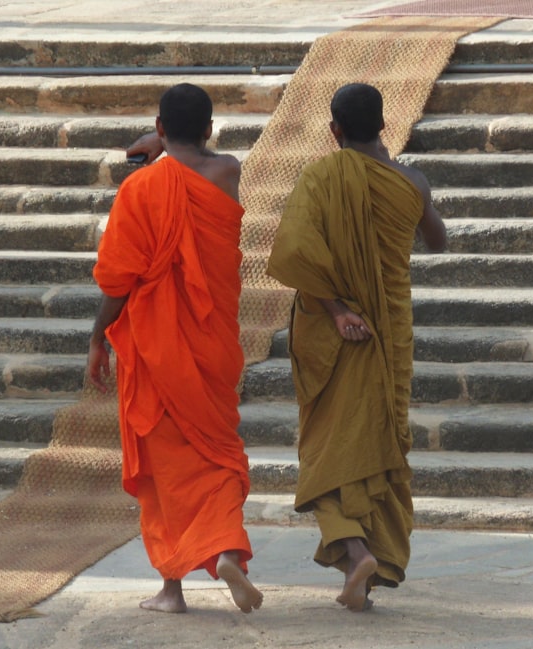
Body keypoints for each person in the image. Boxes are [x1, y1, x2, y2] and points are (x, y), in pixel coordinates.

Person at [266, 82, 447, 612]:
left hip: (334, 332)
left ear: (334, 130)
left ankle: (354, 550)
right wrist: (413, 188)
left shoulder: (320, 176)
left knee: (326, 449)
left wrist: (339, 308)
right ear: (385, 127)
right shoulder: (411, 182)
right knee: (377, 440)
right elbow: (438, 241)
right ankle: (365, 572)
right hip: (389, 332)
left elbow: (295, 251)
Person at [87, 83, 264, 615]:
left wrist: (97, 338)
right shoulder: (228, 170)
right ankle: (228, 546)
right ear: (209, 129)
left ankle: (172, 589)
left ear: (160, 129)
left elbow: (118, 282)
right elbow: (196, 165)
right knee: (217, 453)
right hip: (210, 350)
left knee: (165, 471)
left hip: (156, 351)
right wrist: (168, 146)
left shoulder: (141, 190)